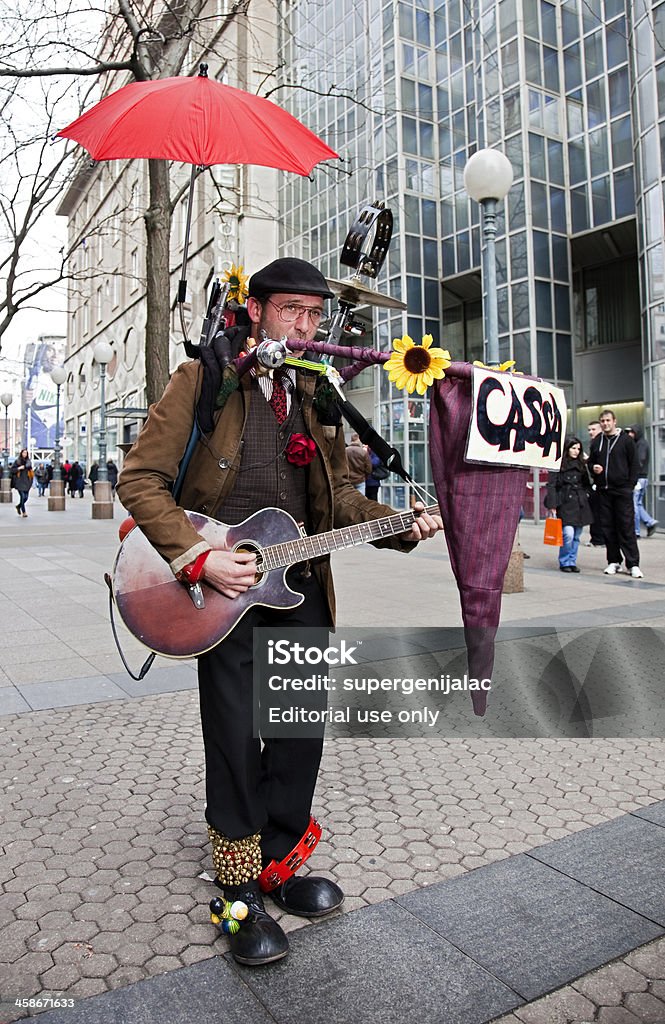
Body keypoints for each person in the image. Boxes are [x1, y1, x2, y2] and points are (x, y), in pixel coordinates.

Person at [117, 257, 442, 968]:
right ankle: (235, 894)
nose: (307, 325)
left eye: (315, 315)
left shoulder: (314, 391)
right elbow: (138, 478)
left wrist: (397, 523)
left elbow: (336, 504)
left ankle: (278, 862)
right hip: (221, 591)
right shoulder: (202, 377)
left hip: (298, 589)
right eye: (293, 310)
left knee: (296, 734)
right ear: (256, 310)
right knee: (234, 740)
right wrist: (198, 557)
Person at [589, 409, 641, 577]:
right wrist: (593, 468)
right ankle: (614, 561)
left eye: (608, 420)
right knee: (608, 527)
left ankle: (632, 563)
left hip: (622, 490)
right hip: (604, 490)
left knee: (626, 526)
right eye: (602, 421)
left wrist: (630, 486)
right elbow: (591, 462)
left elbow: (634, 464)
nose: (605, 423)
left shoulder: (626, 441)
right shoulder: (598, 441)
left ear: (614, 421)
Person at [544, 436, 594, 573]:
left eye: (578, 448)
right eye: (573, 448)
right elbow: (551, 485)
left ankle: (572, 561)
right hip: (565, 502)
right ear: (567, 448)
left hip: (579, 502)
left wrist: (587, 495)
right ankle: (565, 560)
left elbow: (586, 484)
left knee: (577, 535)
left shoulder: (581, 465)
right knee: (568, 534)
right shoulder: (558, 464)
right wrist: (552, 505)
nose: (576, 451)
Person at [627, 426, 658, 539]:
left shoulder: (641, 444)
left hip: (639, 478)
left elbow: (639, 460)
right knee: (638, 503)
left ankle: (636, 531)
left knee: (634, 504)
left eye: (631, 432)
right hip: (642, 477)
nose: (629, 435)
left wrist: (631, 474)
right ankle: (650, 522)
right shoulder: (640, 443)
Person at [585, 420, 604, 547]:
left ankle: (598, 539)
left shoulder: (601, 444)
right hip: (595, 483)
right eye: (589, 430)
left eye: (593, 429)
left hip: (600, 483)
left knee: (598, 513)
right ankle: (597, 538)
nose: (591, 432)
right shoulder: (595, 444)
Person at [11, 449, 33, 517]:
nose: (25, 454)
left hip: (27, 481)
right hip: (19, 481)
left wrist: (25, 467)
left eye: (26, 453)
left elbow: (29, 466)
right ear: (21, 453)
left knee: (26, 497)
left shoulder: (28, 461)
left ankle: (18, 506)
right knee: (22, 496)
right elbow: (12, 470)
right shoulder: (17, 461)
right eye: (24, 453)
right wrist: (18, 468)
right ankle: (24, 512)